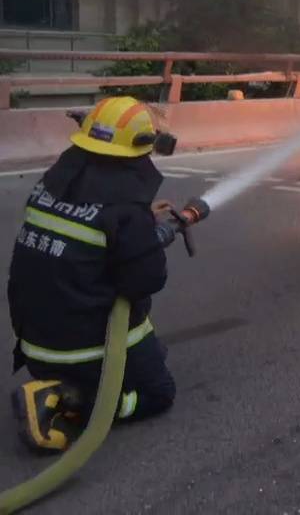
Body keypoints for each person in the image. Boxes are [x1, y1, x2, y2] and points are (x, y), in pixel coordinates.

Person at [8, 96, 184, 453]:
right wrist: (149, 237)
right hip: (81, 352)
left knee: (153, 352)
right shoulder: (125, 212)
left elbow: (87, 223)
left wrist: (138, 222)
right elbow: (146, 281)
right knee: (158, 391)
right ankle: (69, 401)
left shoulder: (51, 185)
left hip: (35, 345)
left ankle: (62, 383)